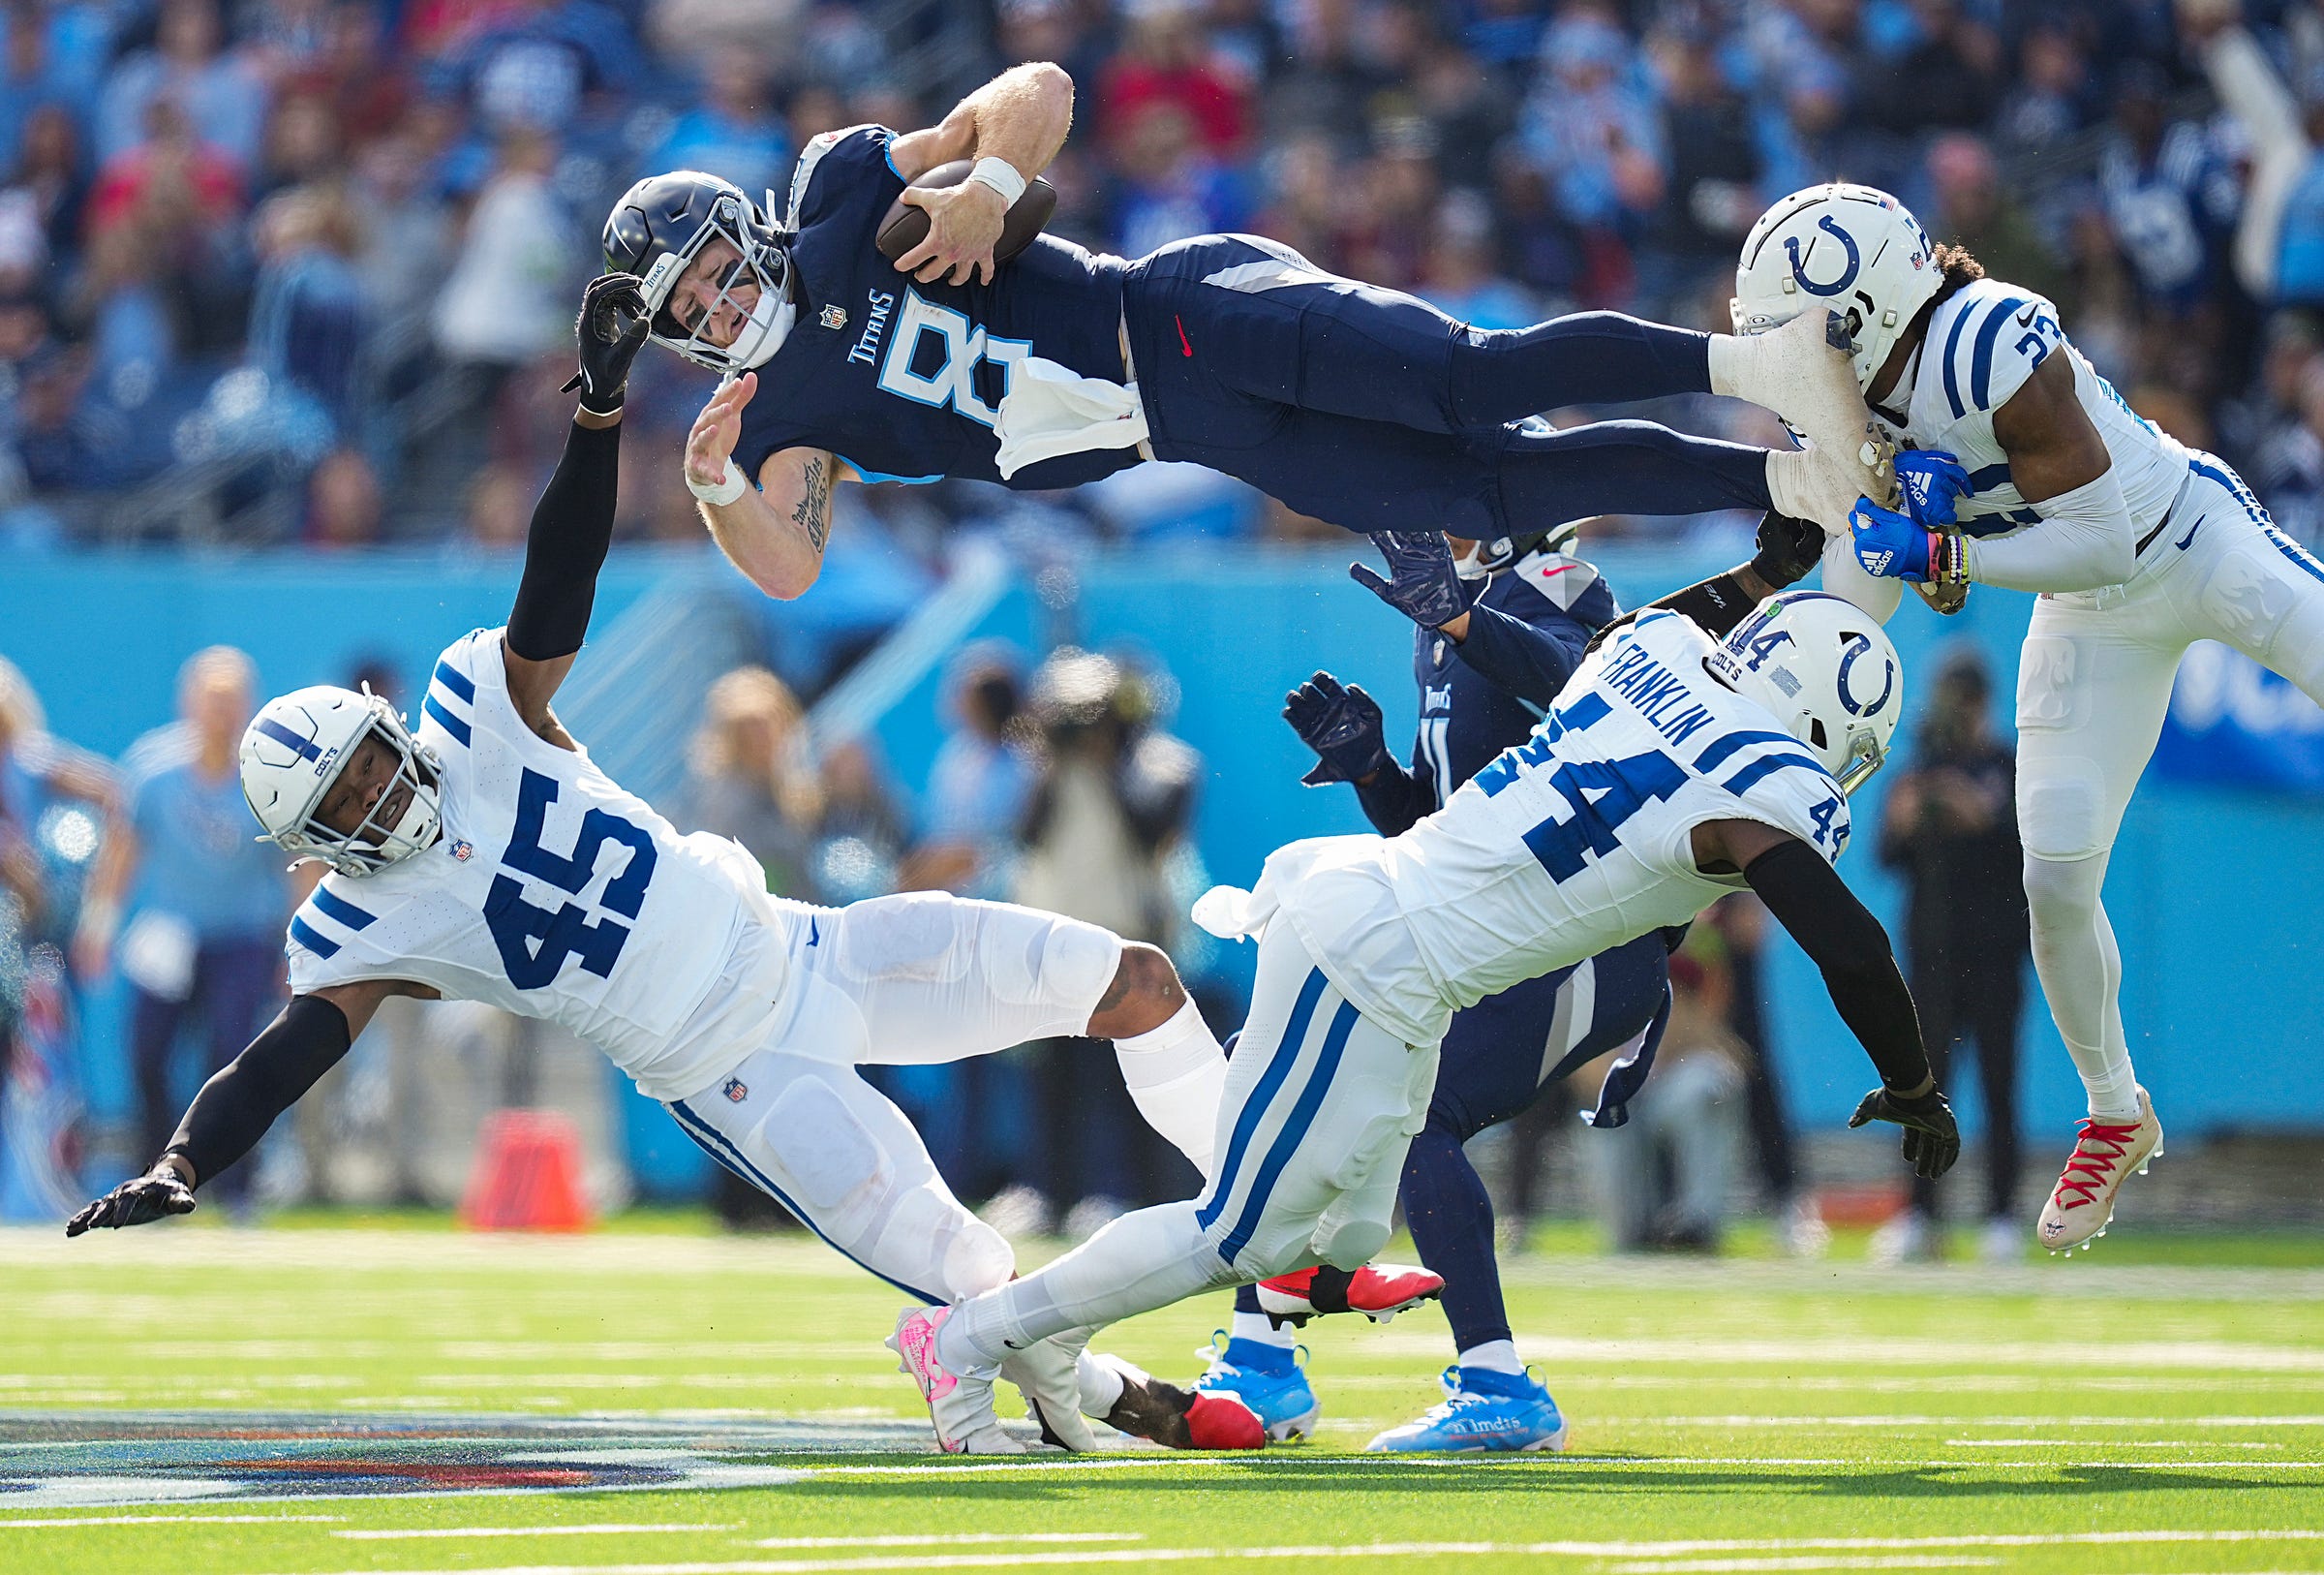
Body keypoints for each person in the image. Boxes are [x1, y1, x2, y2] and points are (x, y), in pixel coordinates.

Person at [62, 273, 1252, 1458]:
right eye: (346, 803)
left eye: (369, 766)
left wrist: (594, 411)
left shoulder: (480, 713)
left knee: (1135, 981)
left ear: (387, 731)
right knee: (970, 1268)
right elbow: (281, 1061)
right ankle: (1125, 1396)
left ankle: (1263, 1224)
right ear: (316, 842)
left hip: (808, 945)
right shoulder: (356, 931)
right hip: (737, 1073)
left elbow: (558, 577)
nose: (376, 795)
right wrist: (184, 1159)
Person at [890, 578, 1961, 1455]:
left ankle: (1108, 1339)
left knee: (1346, 1230)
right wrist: (1913, 1082)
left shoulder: (1658, 651)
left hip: (1400, 953)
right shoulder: (1762, 779)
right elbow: (1853, 945)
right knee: (1239, 1228)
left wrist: (1753, 579)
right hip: (1369, 947)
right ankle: (979, 1336)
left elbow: (1611, 645)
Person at [596, 61, 1893, 603]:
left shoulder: (839, 195)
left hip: (1180, 313)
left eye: (710, 273)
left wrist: (989, 189)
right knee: (1491, 491)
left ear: (742, 231)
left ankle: (1753, 364)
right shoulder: (769, 421)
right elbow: (789, 567)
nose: (714, 308)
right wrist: (712, 488)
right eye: (689, 312)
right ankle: (1791, 481)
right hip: (1194, 432)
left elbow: (1039, 92)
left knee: (1469, 378)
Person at [1749, 181, 2324, 1250]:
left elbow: (2104, 537)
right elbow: (1858, 595)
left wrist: (1944, 550)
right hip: (2086, 610)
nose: (1792, 361)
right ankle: (2116, 1109)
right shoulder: (1859, 405)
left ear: (1864, 307)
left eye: (1803, 331)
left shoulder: (1987, 338)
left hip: (2184, 537)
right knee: (2053, 879)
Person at [1191, 511, 1819, 1452]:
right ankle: (1263, 1363)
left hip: (1586, 936)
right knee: (1279, 1070)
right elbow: (1444, 835)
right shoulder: (1444, 615)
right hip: (1495, 925)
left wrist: (1463, 624)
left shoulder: (1564, 589)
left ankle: (1495, 1386)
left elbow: (1587, 686)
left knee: (1406, 1110)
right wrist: (1375, 775)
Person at [81, 646, 291, 1216]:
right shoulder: (152, 771)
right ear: (188, 702)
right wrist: (97, 926)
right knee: (147, 1054)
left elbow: (296, 866)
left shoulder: (269, 776)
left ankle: (236, 1187)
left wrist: (300, 944)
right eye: (211, 698)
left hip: (242, 936)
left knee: (232, 1055)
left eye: (231, 700)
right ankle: (153, 1177)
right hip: (171, 935)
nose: (221, 712)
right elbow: (122, 852)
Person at [1873, 650, 2029, 1265]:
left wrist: (1962, 801)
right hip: (1929, 958)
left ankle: (2002, 1216)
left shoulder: (2006, 768)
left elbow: (1997, 826)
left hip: (1992, 956)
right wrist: (1909, 811)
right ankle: (1920, 1214)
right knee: (1923, 1090)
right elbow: (1887, 855)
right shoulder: (1916, 771)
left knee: (1998, 1087)